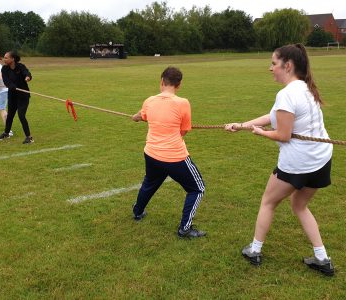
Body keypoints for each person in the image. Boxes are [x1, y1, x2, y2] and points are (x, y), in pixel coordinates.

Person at [225, 43, 334, 276]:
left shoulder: (287, 94)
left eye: (273, 63)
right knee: (299, 205)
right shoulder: (305, 88)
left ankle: (254, 250)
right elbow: (273, 116)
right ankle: (322, 258)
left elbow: (283, 135)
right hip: (321, 160)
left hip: (299, 163)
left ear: (288, 65)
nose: (270, 68)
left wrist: (261, 133)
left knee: (268, 201)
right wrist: (241, 125)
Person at [132, 66, 206, 238]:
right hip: (174, 157)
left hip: (151, 154)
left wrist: (135, 117)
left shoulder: (149, 100)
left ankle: (137, 211)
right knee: (197, 188)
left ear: (161, 82)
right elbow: (184, 130)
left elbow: (141, 115)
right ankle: (185, 229)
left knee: (150, 183)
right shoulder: (183, 103)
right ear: (178, 85)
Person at [0, 51, 34, 144]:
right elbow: (6, 81)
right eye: (4, 57)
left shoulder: (20, 67)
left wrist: (27, 77)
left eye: (6, 58)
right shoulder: (4, 69)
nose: (4, 59)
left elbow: (27, 73)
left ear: (12, 59)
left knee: (21, 115)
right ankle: (6, 133)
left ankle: (29, 137)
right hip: (12, 95)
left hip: (23, 96)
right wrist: (12, 86)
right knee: (10, 116)